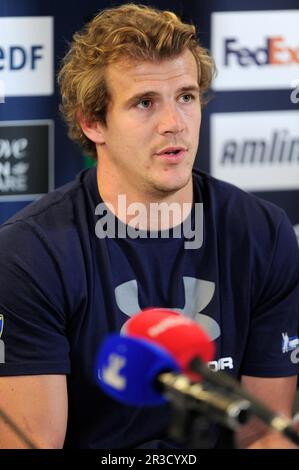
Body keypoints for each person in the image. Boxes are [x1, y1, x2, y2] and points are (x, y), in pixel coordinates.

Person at [0, 3, 298, 449]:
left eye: (186, 96)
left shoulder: (264, 235)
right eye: (144, 103)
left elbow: (260, 436)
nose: (174, 124)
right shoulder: (29, 254)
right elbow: (33, 443)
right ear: (93, 121)